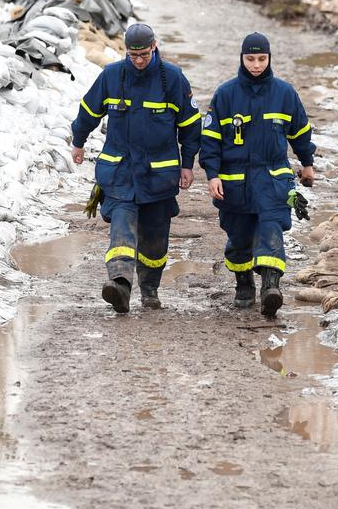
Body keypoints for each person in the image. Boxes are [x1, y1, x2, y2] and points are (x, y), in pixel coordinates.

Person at [70, 22, 201, 313]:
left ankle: (150, 288)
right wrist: (78, 141)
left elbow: (191, 126)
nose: (139, 60)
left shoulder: (173, 79)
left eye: (143, 54)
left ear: (154, 46)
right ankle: (120, 285)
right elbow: (89, 110)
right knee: (122, 228)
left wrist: (188, 164)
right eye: (133, 55)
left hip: (159, 176)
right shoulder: (112, 76)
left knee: (155, 241)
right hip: (120, 173)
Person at [199, 32, 316, 318]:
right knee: (239, 237)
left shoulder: (284, 93)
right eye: (250, 59)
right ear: (241, 58)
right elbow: (210, 140)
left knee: (271, 228)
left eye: (261, 59)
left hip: (272, 178)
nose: (256, 65)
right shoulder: (226, 95)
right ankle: (244, 284)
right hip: (234, 181)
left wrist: (307, 163)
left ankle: (271, 288)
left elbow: (300, 132)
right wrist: (213, 175)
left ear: (269, 58)